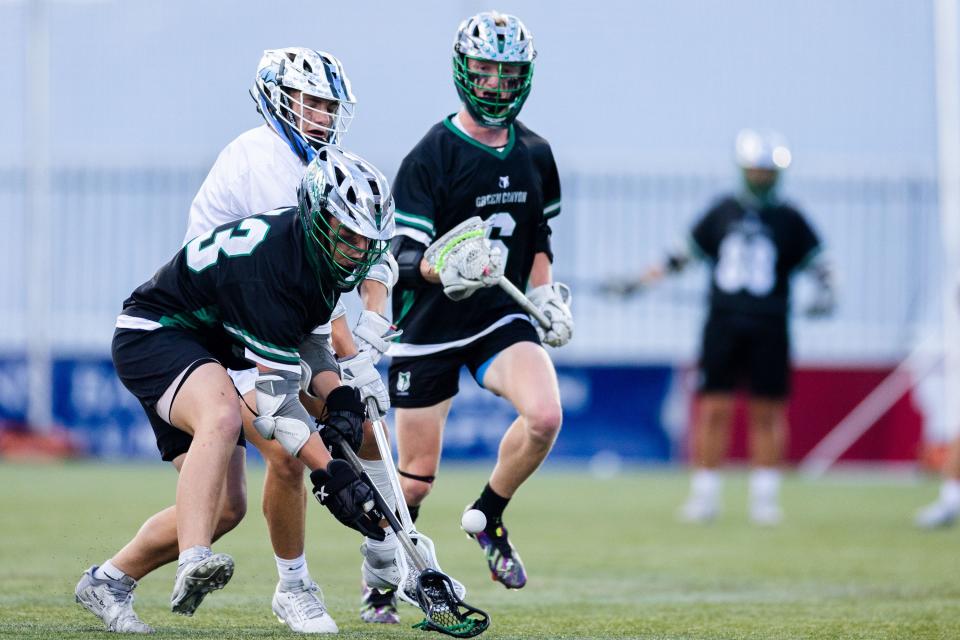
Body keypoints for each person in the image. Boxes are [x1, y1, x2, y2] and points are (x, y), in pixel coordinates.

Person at [74, 148, 399, 634]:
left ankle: (108, 581)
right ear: (319, 218)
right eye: (347, 234)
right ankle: (194, 559)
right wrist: (331, 471)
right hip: (157, 334)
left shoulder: (314, 252)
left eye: (365, 239)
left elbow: (309, 347)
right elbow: (275, 405)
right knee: (223, 417)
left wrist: (340, 399)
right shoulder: (274, 268)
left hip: (205, 344)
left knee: (226, 507)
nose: (356, 248)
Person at [181, 47, 400, 631]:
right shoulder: (260, 161)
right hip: (230, 330)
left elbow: (373, 240)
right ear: (279, 97)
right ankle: (294, 587)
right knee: (287, 450)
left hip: (283, 321)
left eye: (331, 105)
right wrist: (350, 354)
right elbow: (298, 275)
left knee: (363, 415)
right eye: (314, 102)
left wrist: (376, 314)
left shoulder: (327, 160)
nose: (324, 115)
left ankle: (384, 558)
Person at [370, 10, 572, 618]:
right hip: (428, 328)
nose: (496, 85)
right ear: (464, 71)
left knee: (544, 416)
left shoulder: (537, 153)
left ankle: (488, 516)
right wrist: (441, 269)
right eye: (484, 71)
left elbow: (536, 239)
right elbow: (400, 256)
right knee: (414, 482)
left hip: (496, 319)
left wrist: (544, 294)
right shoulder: (431, 155)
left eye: (509, 74)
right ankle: (381, 579)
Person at [619, 129, 835, 526]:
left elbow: (820, 266)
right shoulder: (722, 211)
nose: (761, 178)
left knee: (766, 411)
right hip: (723, 324)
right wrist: (639, 281)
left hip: (770, 325)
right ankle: (705, 496)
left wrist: (826, 293)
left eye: (767, 172)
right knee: (714, 408)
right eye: (755, 170)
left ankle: (765, 498)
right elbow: (681, 256)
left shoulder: (789, 218)